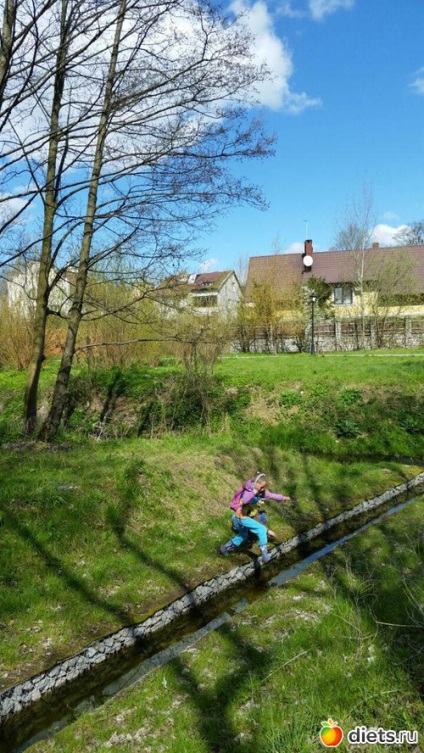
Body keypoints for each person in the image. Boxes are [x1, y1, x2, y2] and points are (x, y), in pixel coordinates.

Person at [220, 472, 290, 562]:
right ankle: (265, 555)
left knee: (242, 536)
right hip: (242, 518)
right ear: (255, 484)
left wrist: (283, 498)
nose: (263, 489)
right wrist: (254, 492)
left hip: (241, 518)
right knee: (262, 530)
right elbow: (245, 501)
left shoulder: (260, 492)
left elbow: (272, 495)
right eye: (262, 487)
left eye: (264, 486)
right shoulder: (248, 491)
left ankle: (225, 548)